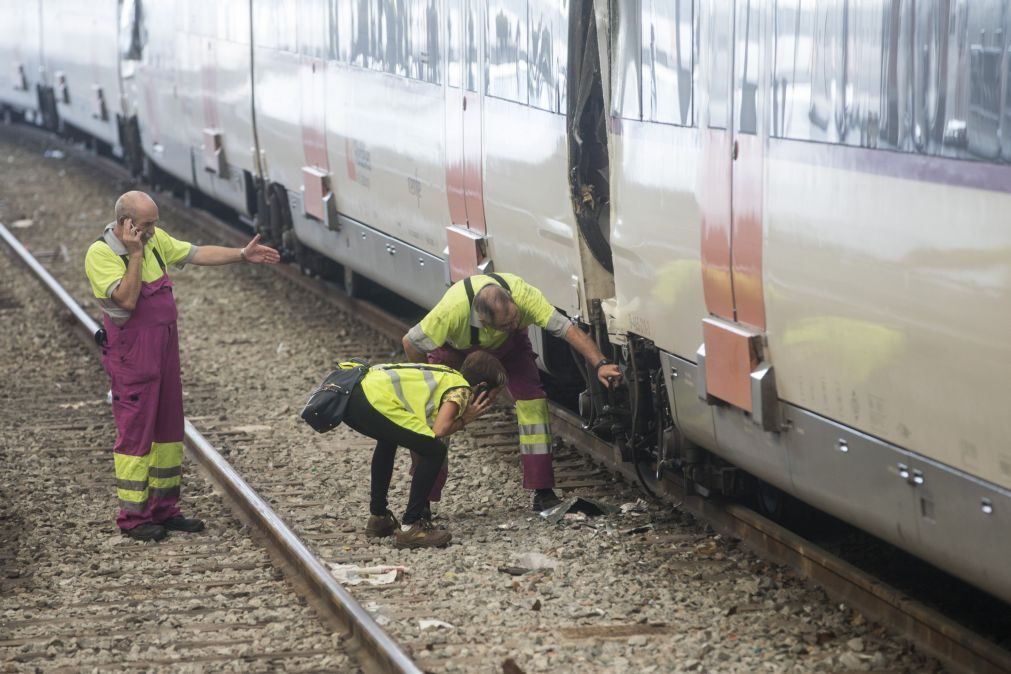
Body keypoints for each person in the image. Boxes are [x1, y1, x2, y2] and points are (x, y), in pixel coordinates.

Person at [84, 190, 280, 542]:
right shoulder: (101, 254)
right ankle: (133, 516)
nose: (153, 230)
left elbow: (196, 252)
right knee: (135, 433)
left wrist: (241, 254)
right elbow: (127, 300)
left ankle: (164, 509)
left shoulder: (155, 240)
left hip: (163, 351)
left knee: (169, 430)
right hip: (132, 357)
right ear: (126, 224)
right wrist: (135, 253)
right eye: (146, 225)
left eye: (154, 224)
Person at [402, 272, 622, 512]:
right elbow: (410, 343)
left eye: (515, 317)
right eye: (506, 324)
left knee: (534, 404)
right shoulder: (452, 311)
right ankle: (421, 499)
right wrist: (428, 385)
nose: (514, 324)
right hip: (455, 350)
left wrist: (600, 363)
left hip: (510, 349)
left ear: (513, 302)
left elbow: (567, 330)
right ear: (484, 323)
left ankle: (543, 492)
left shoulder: (525, 297)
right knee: (437, 416)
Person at [342, 352, 507, 548]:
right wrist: (465, 419)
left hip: (353, 393)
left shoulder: (448, 375)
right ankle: (411, 526)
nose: (492, 401)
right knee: (435, 451)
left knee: (388, 440)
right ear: (482, 387)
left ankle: (379, 517)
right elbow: (439, 430)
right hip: (370, 397)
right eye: (493, 395)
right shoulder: (462, 390)